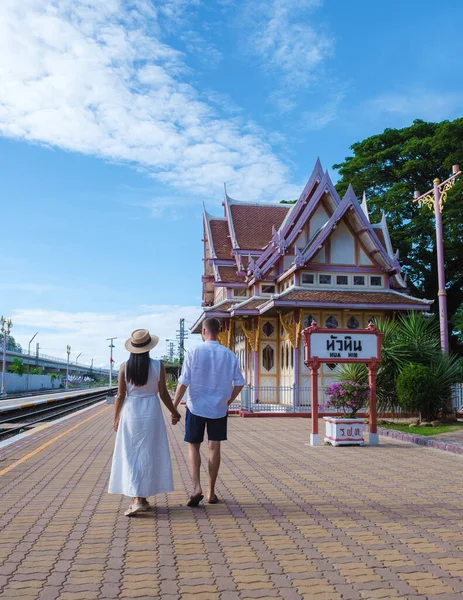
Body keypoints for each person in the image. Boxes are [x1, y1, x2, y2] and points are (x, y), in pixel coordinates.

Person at [108, 329, 181, 516]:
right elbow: (163, 394)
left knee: (132, 455)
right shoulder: (158, 366)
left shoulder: (124, 367)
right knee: (148, 453)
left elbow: (120, 396)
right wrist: (174, 412)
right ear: (149, 348)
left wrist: (116, 418)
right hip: (151, 413)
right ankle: (141, 497)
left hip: (131, 413)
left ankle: (138, 499)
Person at [173, 317, 245, 506]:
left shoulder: (193, 351)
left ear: (204, 332)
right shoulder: (229, 354)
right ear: (218, 331)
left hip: (196, 407)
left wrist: (173, 407)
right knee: (214, 448)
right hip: (218, 409)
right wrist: (228, 400)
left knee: (193, 446)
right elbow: (240, 383)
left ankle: (196, 487)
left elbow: (184, 382)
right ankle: (211, 492)